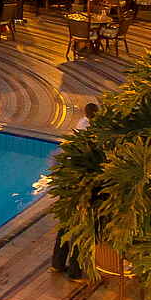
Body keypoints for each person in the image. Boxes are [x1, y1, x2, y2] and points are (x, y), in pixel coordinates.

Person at [51, 103, 99, 276]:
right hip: (82, 190)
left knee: (66, 226)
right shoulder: (90, 143)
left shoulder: (80, 128)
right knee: (81, 229)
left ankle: (57, 263)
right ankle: (75, 271)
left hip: (69, 188)